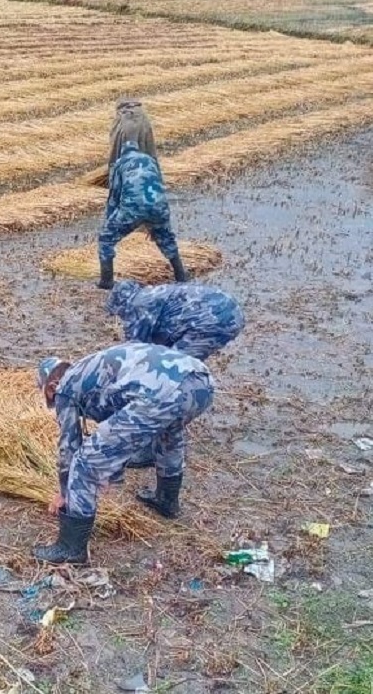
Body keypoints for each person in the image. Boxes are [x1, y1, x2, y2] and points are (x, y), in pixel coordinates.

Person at [33, 343, 215, 565]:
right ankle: (166, 500)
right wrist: (110, 472)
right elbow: (119, 431)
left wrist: (65, 493)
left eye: (49, 396)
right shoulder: (91, 370)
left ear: (51, 386)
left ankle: (71, 550)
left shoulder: (65, 387)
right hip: (200, 382)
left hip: (160, 393)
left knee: (85, 461)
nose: (54, 401)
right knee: (169, 432)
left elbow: (69, 448)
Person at [98, 100, 187, 290]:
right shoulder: (149, 160)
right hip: (159, 206)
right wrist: (158, 222)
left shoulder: (121, 163)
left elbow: (114, 197)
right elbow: (159, 187)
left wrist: (109, 221)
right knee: (166, 239)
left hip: (133, 208)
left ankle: (106, 281)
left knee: (106, 238)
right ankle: (181, 274)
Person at [106, 280, 245, 361]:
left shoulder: (137, 304)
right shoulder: (154, 293)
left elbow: (135, 349)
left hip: (210, 321)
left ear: (121, 304)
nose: (121, 318)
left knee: (175, 364)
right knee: (183, 359)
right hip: (232, 314)